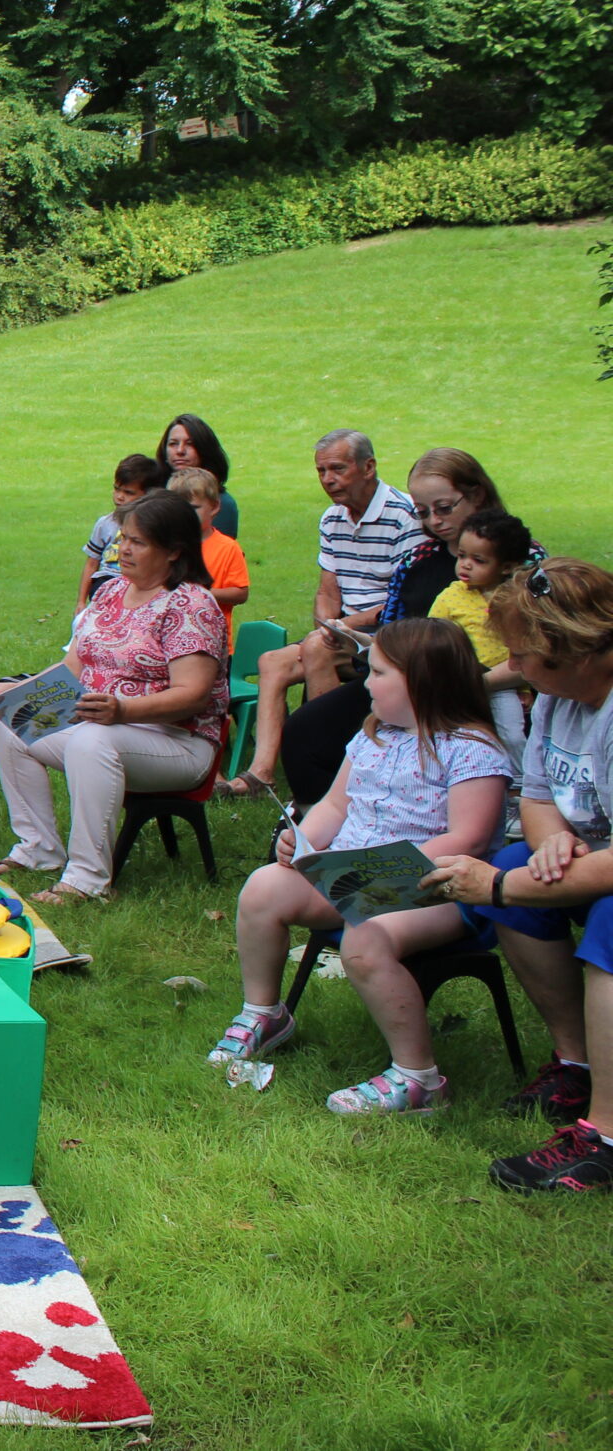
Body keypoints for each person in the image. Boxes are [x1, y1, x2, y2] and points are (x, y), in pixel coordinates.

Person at [209, 620, 511, 1113]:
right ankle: (264, 1012)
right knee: (265, 886)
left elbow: (470, 836)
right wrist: (303, 839)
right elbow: (334, 806)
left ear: (422, 683)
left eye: (378, 674)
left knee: (366, 935)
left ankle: (419, 1078)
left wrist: (381, 872)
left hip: (436, 890)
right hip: (350, 878)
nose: (365, 684)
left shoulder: (472, 750)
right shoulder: (374, 736)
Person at [417, 561, 613, 1191]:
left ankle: (603, 1138)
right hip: (589, 853)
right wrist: (552, 842)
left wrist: (498, 888)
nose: (517, 670)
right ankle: (576, 1061)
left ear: (579, 648)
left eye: (527, 657)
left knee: (605, 920)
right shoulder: (558, 698)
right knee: (513, 864)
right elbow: (535, 793)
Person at [0, 489, 228, 905]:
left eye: (137, 541)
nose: (123, 548)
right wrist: (13, 692)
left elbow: (193, 695)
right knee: (12, 721)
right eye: (124, 538)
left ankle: (87, 880)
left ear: (172, 551)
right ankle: (39, 848)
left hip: (178, 743)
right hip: (105, 729)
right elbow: (72, 669)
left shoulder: (192, 604)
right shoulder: (111, 592)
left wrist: (123, 710)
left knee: (91, 739)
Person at [223, 440, 460, 801]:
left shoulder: (404, 515)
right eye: (321, 471)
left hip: (385, 632)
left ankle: (335, 766)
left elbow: (400, 601)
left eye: (337, 469)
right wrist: (328, 622)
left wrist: (342, 627)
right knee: (272, 661)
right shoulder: (332, 518)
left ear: (369, 467)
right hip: (344, 629)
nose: (327, 479)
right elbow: (327, 590)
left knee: (318, 647)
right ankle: (263, 772)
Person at [434, 510, 533, 757]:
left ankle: (517, 785)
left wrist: (524, 689)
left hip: (503, 685)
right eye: (462, 555)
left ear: (507, 567)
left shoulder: (515, 599)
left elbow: (526, 650)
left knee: (511, 735)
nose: (465, 564)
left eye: (479, 560)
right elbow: (432, 635)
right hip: (459, 683)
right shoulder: (451, 596)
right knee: (460, 735)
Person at [165, 467, 247, 647]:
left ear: (214, 507)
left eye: (193, 508)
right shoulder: (166, 545)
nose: (185, 514)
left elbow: (240, 593)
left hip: (213, 641)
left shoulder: (227, 547)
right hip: (168, 638)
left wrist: (199, 593)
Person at [79, 456, 162, 608]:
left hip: (138, 582)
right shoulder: (105, 524)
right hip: (107, 581)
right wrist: (81, 602)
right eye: (117, 489)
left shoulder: (154, 527)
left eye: (129, 492)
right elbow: (91, 563)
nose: (119, 496)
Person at [155, 413, 240, 538]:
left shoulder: (223, 504)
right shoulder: (151, 494)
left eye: (189, 444)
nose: (180, 451)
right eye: (173, 443)